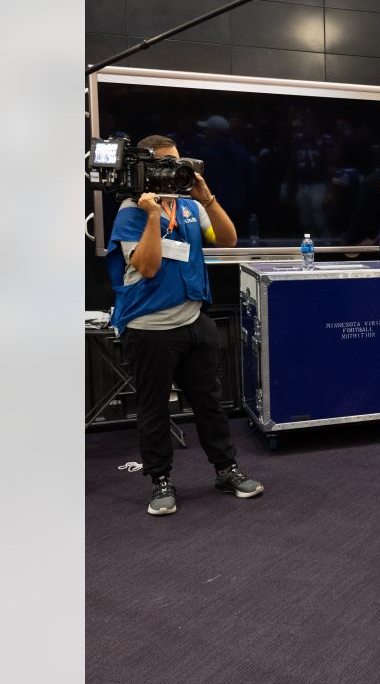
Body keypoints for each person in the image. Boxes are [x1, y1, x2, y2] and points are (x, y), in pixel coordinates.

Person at [105, 134, 263, 517]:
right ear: (145, 169)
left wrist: (205, 194)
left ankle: (226, 470)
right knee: (154, 409)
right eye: (166, 164)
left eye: (178, 163)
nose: (175, 171)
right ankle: (160, 480)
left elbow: (227, 239)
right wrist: (154, 214)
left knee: (210, 403)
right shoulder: (131, 211)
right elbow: (148, 266)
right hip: (149, 329)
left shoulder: (190, 207)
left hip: (194, 320)